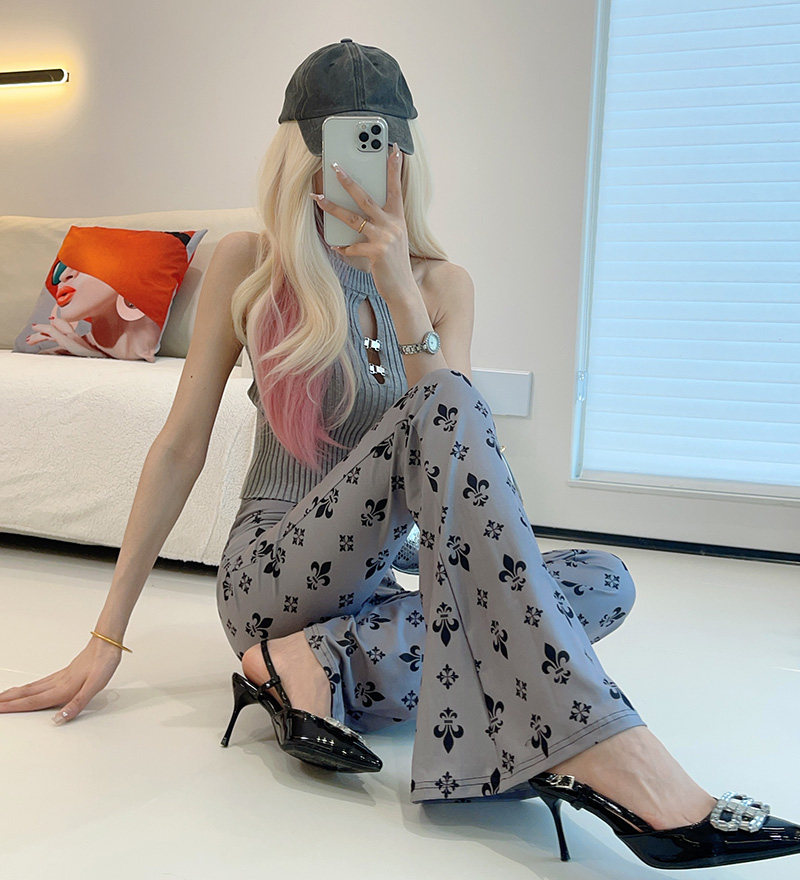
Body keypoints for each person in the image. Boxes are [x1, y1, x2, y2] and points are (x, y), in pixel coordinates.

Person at [2, 39, 799, 871]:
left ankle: (311, 664)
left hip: (377, 578)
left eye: (380, 144)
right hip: (272, 569)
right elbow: (179, 446)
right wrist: (106, 634)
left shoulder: (443, 284)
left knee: (605, 578)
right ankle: (606, 749)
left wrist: (400, 292)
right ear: (302, 157)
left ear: (404, 157)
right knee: (449, 402)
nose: (360, 167)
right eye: (338, 145)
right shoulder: (250, 264)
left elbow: (456, 457)